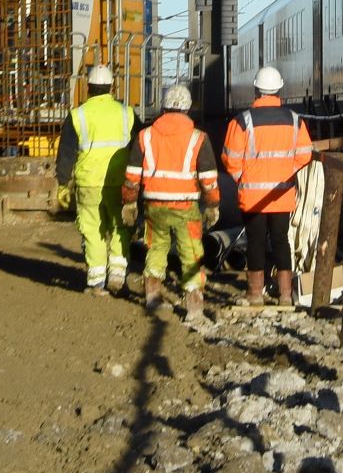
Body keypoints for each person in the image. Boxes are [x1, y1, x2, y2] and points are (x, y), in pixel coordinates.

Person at [119, 82, 219, 323]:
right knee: (191, 253)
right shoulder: (198, 138)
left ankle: (152, 298)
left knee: (156, 248)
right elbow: (209, 179)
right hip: (185, 207)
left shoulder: (145, 136)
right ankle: (194, 309)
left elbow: (132, 176)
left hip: (154, 205)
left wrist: (129, 202)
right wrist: (213, 205)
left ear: (163, 108)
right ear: (187, 109)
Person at [220, 64, 313, 306]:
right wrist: (285, 173)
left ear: (256, 90)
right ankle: (284, 295)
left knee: (256, 242)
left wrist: (243, 178)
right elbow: (305, 154)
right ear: (279, 89)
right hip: (281, 195)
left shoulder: (242, 121)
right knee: (282, 240)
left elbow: (230, 158)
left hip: (252, 197)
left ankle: (254, 294)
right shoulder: (295, 120)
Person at [52, 63, 137, 295]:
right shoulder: (126, 113)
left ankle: (97, 282)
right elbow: (139, 149)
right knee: (120, 227)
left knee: (92, 230)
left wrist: (62, 184)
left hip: (88, 183)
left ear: (88, 87)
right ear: (111, 87)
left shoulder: (77, 115)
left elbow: (66, 154)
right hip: (119, 182)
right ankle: (118, 277)